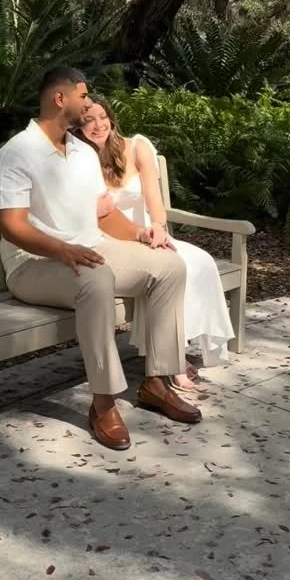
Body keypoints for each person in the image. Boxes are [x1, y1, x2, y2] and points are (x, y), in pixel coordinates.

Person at [0, 66, 202, 452]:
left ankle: (157, 382)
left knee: (169, 266)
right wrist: (61, 249)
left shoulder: (82, 153)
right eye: (83, 96)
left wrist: (141, 234)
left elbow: (103, 216)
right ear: (60, 99)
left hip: (89, 250)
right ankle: (103, 403)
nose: (88, 103)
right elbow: (12, 226)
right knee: (98, 279)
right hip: (33, 264)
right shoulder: (15, 153)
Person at [78, 97, 235, 390]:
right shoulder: (79, 160)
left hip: (149, 232)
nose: (97, 125)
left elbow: (154, 200)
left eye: (102, 117)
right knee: (167, 268)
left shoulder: (137, 147)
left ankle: (177, 348)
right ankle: (173, 362)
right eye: (88, 120)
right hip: (112, 241)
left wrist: (159, 228)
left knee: (198, 261)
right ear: (78, 127)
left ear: (111, 118)